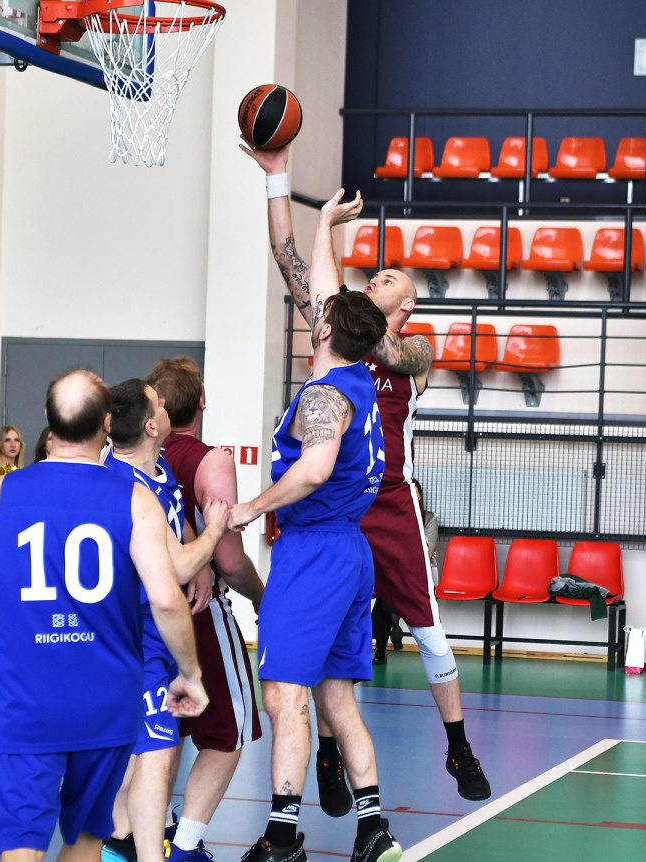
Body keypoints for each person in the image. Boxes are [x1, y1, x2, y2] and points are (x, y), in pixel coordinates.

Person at [246, 142, 491, 803]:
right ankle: (328, 757)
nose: (375, 278)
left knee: (429, 629)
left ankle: (458, 745)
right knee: (329, 642)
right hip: (330, 507)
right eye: (373, 276)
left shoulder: (414, 349)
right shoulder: (343, 332)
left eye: (388, 280)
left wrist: (341, 291)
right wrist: (293, 197)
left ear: (406, 307)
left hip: (389, 502)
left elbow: (375, 336)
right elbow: (287, 259)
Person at [0, 369, 207, 862]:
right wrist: (190, 674)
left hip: (28, 700)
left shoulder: (0, 493)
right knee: (87, 838)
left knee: (21, 842)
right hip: (106, 702)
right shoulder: (134, 498)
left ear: (48, 419)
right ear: (107, 423)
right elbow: (167, 599)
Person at [229, 283, 401, 862]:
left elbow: (316, 467)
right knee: (338, 699)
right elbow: (337, 303)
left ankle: (281, 841)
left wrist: (251, 508)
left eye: (320, 313)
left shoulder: (325, 394)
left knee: (284, 696)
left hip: (314, 553)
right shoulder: (360, 380)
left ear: (325, 330)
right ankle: (373, 829)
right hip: (350, 549)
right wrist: (320, 234)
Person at [101, 378, 230, 862]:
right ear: (152, 426)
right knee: (154, 756)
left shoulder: (154, 469)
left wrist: (196, 551)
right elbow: (173, 567)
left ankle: (120, 843)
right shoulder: (128, 484)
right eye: (158, 401)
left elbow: (175, 526)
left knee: (141, 758)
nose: (165, 402)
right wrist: (213, 534)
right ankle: (131, 848)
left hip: (147, 638)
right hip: (135, 636)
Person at [147, 356, 266, 862]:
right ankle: (186, 846)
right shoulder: (209, 460)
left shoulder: (128, 457)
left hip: (137, 616)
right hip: (195, 614)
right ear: (201, 401)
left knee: (158, 731)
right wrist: (262, 598)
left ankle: (146, 837)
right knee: (227, 733)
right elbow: (230, 561)